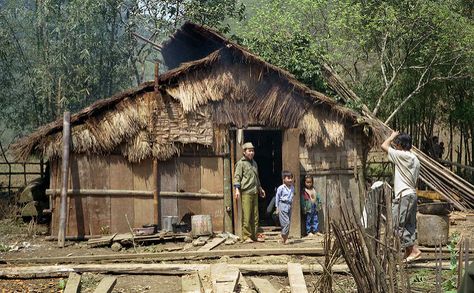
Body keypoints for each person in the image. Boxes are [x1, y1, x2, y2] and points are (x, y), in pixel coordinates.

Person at [381, 131, 422, 262]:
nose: (395, 145)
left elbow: (384, 146)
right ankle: (410, 252)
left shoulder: (402, 155)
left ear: (399, 144)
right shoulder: (414, 158)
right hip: (411, 194)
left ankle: (414, 250)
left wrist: (391, 136)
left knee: (394, 224)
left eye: (396, 143)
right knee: (408, 226)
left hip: (403, 195)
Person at [234, 142, 266, 243]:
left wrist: (260, 189)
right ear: (244, 152)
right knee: (247, 215)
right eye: (249, 151)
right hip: (246, 192)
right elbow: (237, 177)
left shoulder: (254, 163)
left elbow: (257, 178)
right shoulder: (241, 163)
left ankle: (254, 235)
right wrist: (237, 189)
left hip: (254, 192)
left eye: (252, 151)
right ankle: (246, 236)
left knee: (255, 216)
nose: (251, 153)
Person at [275, 170, 294, 244]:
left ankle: (284, 239)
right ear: (284, 179)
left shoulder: (292, 187)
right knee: (286, 222)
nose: (290, 180)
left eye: (291, 178)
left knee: (288, 222)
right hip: (282, 205)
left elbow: (292, 196)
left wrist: (291, 205)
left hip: (289, 205)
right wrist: (277, 207)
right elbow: (277, 197)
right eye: (288, 178)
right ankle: (282, 235)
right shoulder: (281, 188)